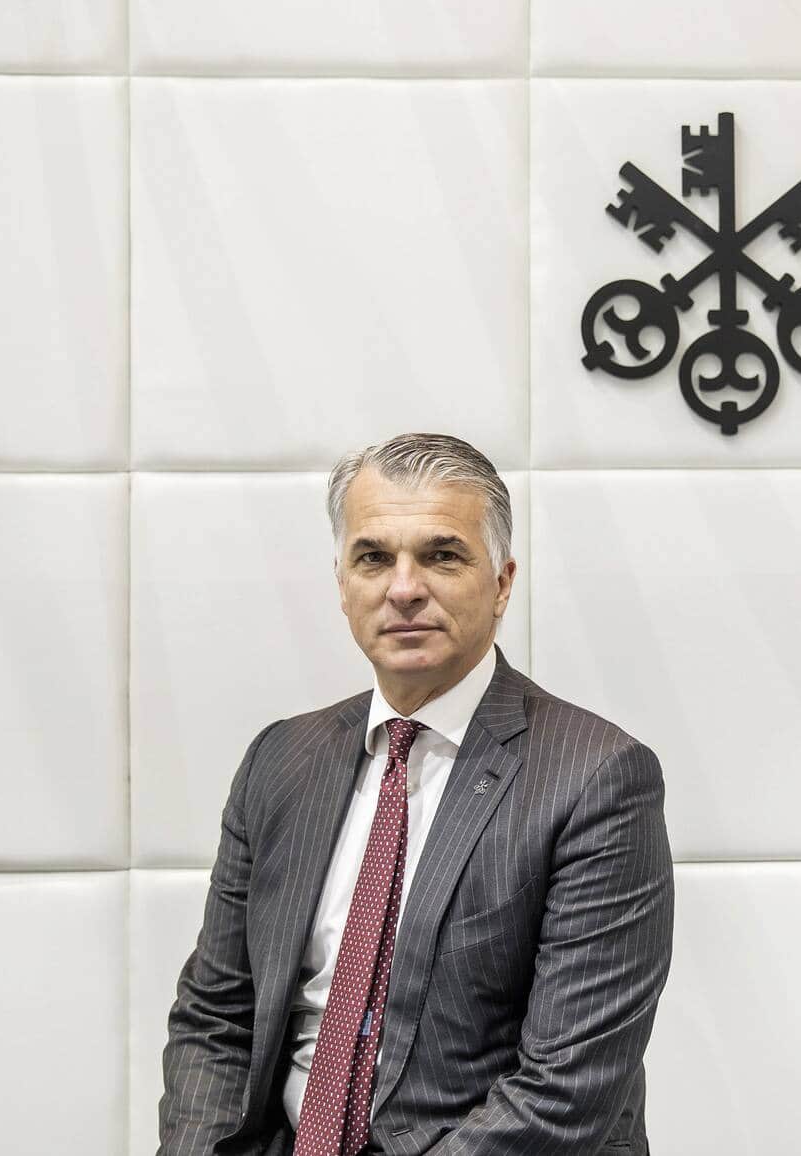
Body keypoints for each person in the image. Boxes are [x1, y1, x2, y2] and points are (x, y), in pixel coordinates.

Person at [159, 432, 674, 1156]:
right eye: (373, 557)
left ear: (502, 582)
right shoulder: (281, 760)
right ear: (342, 585)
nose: (404, 588)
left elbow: (567, 1090)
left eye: (442, 555)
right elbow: (216, 1020)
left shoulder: (596, 776)